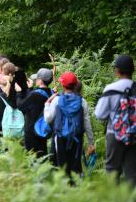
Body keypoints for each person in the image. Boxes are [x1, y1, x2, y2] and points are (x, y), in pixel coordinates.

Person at [44, 72, 95, 179]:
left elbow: (48, 119)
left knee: (61, 165)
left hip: (60, 137)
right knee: (75, 165)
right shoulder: (82, 102)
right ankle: (76, 188)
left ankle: (64, 188)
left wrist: (47, 105)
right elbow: (87, 124)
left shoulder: (57, 100)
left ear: (62, 85)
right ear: (76, 84)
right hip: (77, 138)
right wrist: (91, 143)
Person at [95, 55, 136, 186]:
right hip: (134, 135)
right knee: (132, 173)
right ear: (133, 70)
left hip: (114, 134)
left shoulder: (110, 89)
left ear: (117, 71)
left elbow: (100, 114)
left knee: (112, 171)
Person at [16, 68, 54, 157]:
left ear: (40, 81)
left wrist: (19, 92)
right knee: (42, 155)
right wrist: (30, 89)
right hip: (43, 130)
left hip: (31, 131)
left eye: (37, 78)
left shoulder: (35, 94)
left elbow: (21, 106)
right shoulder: (51, 93)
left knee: (31, 157)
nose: (36, 80)